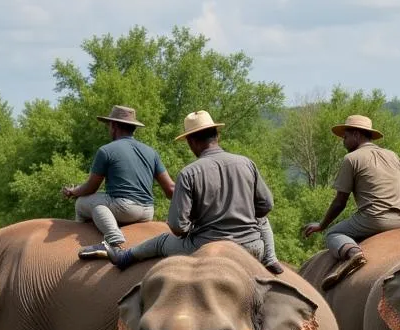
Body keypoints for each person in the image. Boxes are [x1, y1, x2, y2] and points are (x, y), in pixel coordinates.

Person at [79, 109, 285, 273]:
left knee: (161, 241)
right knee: (263, 221)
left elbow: (177, 227)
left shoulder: (190, 172)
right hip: (252, 246)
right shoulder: (246, 163)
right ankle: (269, 259)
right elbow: (266, 205)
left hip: (207, 247)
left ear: (191, 141)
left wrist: (194, 225)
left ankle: (122, 257)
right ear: (217, 134)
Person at [302, 114, 400, 289]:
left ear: (357, 135)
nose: (343, 142)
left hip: (373, 219)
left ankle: (353, 254)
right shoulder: (393, 156)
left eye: (345, 137)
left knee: (333, 234)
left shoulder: (352, 159)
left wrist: (322, 225)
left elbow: (340, 202)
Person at [66, 105, 174, 260]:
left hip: (125, 208)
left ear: (114, 126)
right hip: (147, 211)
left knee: (83, 203)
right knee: (99, 201)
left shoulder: (106, 150)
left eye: (109, 125)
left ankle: (113, 239)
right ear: (133, 128)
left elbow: (91, 187)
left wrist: (74, 192)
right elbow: (170, 187)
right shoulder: (151, 152)